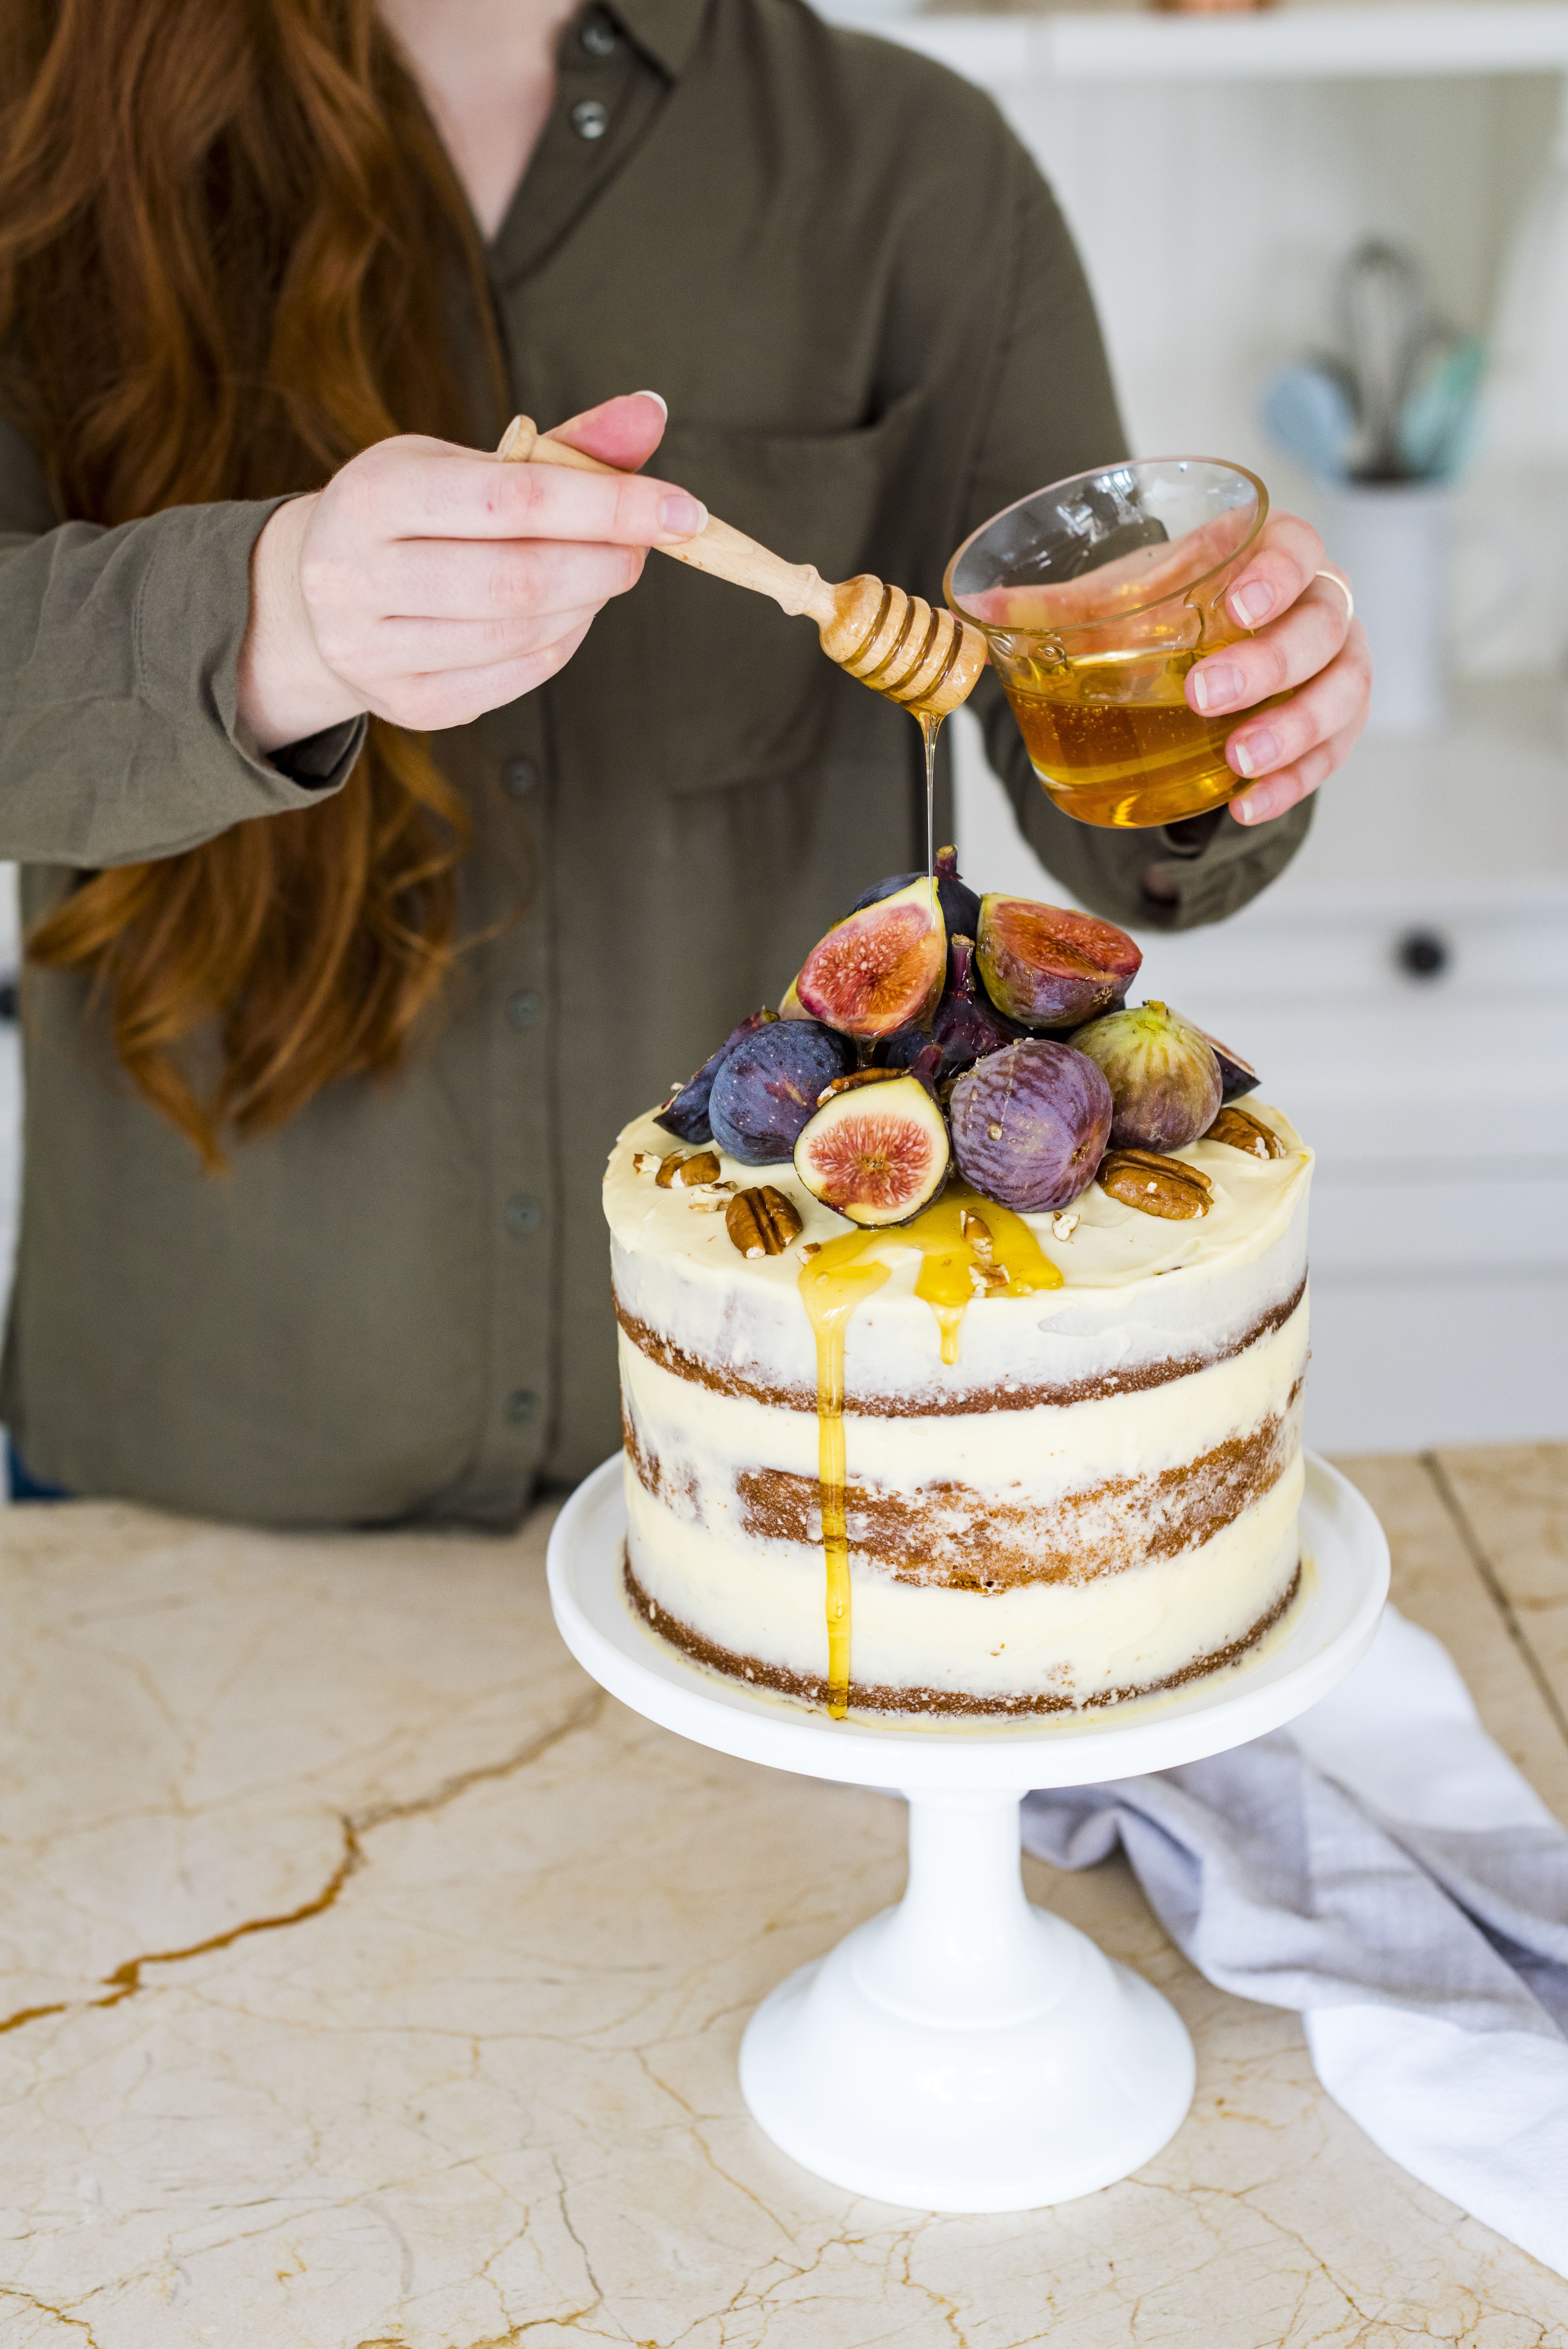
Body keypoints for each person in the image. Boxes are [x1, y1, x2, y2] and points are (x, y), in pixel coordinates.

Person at [0, 0, 1368, 1527]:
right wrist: (263, 620)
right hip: (197, 1459)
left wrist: (1238, 698)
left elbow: (1119, 777)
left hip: (786, 1481)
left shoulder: (919, 167)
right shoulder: (29, 115)